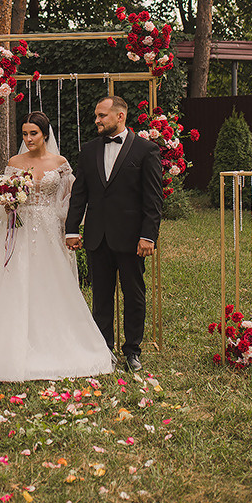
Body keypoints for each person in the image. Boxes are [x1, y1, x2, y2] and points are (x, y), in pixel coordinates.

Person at [0, 111, 114, 381]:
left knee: (51, 284)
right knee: (13, 281)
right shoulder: (15, 162)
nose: (28, 139)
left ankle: (59, 343)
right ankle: (3, 345)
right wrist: (7, 200)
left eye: (33, 134)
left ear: (45, 135)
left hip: (50, 229)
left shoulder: (60, 163)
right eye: (25, 134)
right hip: (20, 228)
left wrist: (66, 226)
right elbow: (1, 193)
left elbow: (71, 198)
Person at [65, 96, 162, 373]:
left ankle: (133, 351)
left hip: (132, 239)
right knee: (101, 295)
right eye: (96, 115)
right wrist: (72, 229)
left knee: (134, 294)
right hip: (97, 236)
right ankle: (103, 348)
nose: (97, 120)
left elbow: (153, 199)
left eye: (102, 115)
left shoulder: (146, 150)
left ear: (120, 116)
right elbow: (79, 194)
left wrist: (148, 235)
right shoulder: (89, 150)